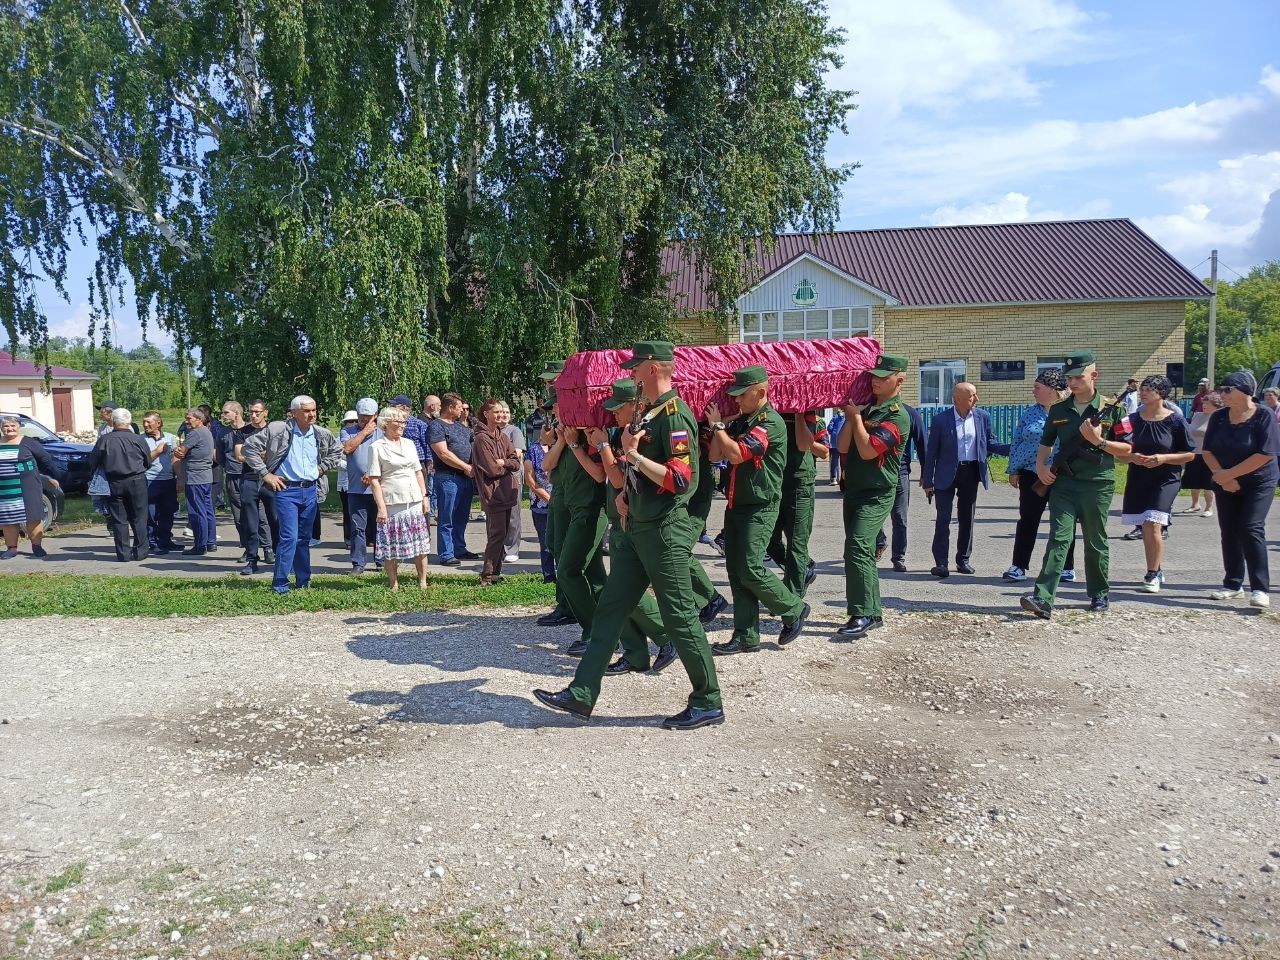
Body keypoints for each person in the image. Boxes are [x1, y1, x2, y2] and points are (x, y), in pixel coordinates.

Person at [533, 340, 723, 730]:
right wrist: (626, 494)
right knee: (610, 608)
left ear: (654, 368)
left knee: (681, 616)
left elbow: (681, 479)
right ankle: (582, 693)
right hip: (637, 526)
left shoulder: (674, 415)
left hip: (663, 531)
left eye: (636, 368)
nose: (631, 373)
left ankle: (708, 700)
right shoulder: (649, 413)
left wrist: (633, 457)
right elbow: (644, 475)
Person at [704, 366, 810, 654]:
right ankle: (745, 635)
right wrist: (722, 427)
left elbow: (736, 454)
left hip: (760, 507)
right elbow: (715, 456)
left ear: (761, 392)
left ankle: (794, 608)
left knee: (750, 567)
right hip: (737, 504)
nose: (736, 400)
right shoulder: (743, 422)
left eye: (742, 395)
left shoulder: (770, 423)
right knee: (736, 572)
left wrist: (717, 428)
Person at [1020, 350, 1133, 619]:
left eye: (1078, 377)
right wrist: (1041, 468)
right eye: (1069, 378)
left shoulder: (1115, 409)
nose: (1072, 383)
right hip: (1065, 484)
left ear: (1094, 375)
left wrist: (1099, 442)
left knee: (1095, 540)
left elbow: (1128, 449)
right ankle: (1043, 598)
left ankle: (1098, 593)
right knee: (1059, 538)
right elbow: (1046, 444)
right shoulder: (1059, 409)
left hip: (1097, 484)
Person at [579, 378, 679, 674]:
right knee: (617, 594)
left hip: (633, 519)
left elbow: (619, 477)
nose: (613, 415)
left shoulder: (636, 434)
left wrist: (601, 445)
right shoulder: (621, 431)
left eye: (617, 409)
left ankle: (665, 636)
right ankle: (635, 652)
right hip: (620, 515)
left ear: (633, 407)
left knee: (622, 593)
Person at [834, 353, 911, 638]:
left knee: (858, 547)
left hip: (877, 493)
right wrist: (852, 417)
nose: (875, 381)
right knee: (857, 550)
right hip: (854, 489)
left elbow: (867, 451)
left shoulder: (897, 417)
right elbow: (843, 446)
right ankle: (871, 612)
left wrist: (855, 418)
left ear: (899, 380)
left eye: (883, 377)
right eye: (873, 377)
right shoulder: (867, 411)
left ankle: (862, 613)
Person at [241, 395, 342, 594]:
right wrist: (266, 474)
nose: (312, 414)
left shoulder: (320, 433)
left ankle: (303, 582)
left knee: (304, 539)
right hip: (286, 490)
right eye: (306, 411)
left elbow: (337, 450)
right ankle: (280, 585)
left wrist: (322, 469)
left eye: (314, 410)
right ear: (294, 413)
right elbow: (249, 448)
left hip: (310, 490)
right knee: (289, 537)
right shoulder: (278, 429)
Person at [1202, 369, 1280, 608]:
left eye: (1228, 390)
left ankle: (1259, 589)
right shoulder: (1219, 417)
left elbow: (1265, 455)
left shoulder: (1263, 415)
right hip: (1225, 480)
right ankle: (1233, 584)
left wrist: (1229, 475)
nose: (1222, 394)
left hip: (1258, 481)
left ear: (1245, 391)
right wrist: (1222, 476)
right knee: (1229, 530)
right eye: (1221, 390)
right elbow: (1207, 451)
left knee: (1250, 527)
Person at [922, 381, 1009, 577]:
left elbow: (990, 443)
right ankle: (941, 563)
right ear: (957, 399)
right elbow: (931, 454)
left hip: (971, 473)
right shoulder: (940, 420)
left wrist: (1015, 449)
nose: (976, 399)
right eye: (972, 396)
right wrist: (928, 481)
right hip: (945, 474)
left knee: (966, 518)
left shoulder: (982, 417)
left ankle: (963, 560)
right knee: (943, 519)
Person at [1119, 376, 1193, 593]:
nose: (1144, 392)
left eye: (1150, 389)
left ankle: (1152, 574)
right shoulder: (1131, 420)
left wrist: (1163, 458)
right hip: (1139, 477)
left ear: (1162, 393)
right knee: (1146, 526)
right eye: (1142, 389)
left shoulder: (1176, 420)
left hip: (1166, 478)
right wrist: (1131, 458)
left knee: (1153, 522)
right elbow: (1121, 453)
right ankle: (1156, 568)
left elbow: (1189, 454)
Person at [1003, 369, 1077, 583]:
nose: (1033, 391)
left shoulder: (1069, 411)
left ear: (1052, 390)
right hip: (1031, 474)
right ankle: (1018, 566)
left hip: (1062, 475)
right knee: (1028, 520)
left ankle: (1066, 567)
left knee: (1063, 522)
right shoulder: (1030, 413)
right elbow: (1017, 441)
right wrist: (1014, 469)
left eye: (1038, 387)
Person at [765, 409, 829, 597]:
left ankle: (792, 598)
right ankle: (803, 568)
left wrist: (799, 415)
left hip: (799, 483)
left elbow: (818, 449)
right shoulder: (771, 415)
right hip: (775, 483)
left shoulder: (812, 418)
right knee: (770, 541)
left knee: (796, 543)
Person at [367, 406, 431, 591]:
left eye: (404, 421)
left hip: (414, 499)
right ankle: (393, 583)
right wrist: (381, 508)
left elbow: (418, 472)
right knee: (392, 545)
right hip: (392, 500)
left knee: (420, 542)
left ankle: (423, 581)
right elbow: (374, 480)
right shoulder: (376, 447)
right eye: (399, 421)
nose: (403, 425)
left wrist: (424, 496)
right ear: (386, 424)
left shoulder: (409, 444)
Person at [87, 408, 152, 561]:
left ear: (114, 422)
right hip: (137, 480)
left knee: (119, 519)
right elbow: (148, 462)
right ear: (129, 422)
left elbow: (92, 462)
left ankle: (123, 554)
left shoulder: (105, 440)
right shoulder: (138, 439)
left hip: (114, 482)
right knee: (139, 517)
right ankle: (140, 552)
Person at [471, 399, 521, 585]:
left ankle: (496, 574)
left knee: (504, 533)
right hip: (492, 494)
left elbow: (515, 462)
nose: (501, 415)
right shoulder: (481, 439)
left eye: (502, 411)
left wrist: (505, 462)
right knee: (496, 534)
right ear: (486, 414)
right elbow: (491, 469)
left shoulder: (503, 436)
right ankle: (488, 576)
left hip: (508, 491)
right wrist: (503, 464)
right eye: (496, 412)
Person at [874, 401, 925, 573]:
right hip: (876, 472)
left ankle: (898, 557)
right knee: (873, 515)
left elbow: (922, 443)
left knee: (900, 517)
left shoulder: (910, 413)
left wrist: (926, 474)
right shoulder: (873, 410)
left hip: (900, 473)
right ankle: (879, 542)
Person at [427, 393, 477, 565]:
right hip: (447, 478)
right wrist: (466, 467)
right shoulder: (436, 427)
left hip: (465, 479)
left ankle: (459, 549)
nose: (462, 410)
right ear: (450, 408)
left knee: (462, 517)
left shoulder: (462, 428)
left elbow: (474, 447)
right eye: (459, 407)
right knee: (446, 517)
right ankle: (446, 554)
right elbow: (443, 453)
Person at [0, 415, 59, 559]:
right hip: (5, 488)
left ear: (18, 427)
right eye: (6, 426)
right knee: (9, 518)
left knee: (32, 516)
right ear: (1, 429)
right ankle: (12, 548)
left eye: (12, 426)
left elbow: (45, 460)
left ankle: (36, 547)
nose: (9, 429)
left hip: (28, 485)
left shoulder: (28, 442)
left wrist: (51, 477)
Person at [341, 399, 383, 575]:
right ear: (357, 416)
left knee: (381, 526)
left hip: (378, 488)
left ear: (376, 415)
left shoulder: (383, 432)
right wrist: (364, 432)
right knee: (358, 527)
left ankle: (381, 561)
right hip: (356, 489)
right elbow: (347, 449)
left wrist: (373, 473)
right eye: (362, 417)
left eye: (369, 417)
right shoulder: (347, 431)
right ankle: (358, 563)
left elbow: (387, 456)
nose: (366, 421)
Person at [234, 400, 276, 575]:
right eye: (251, 412)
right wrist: (261, 455)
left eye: (257, 412)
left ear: (265, 412)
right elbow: (239, 455)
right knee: (250, 522)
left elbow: (275, 454)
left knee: (275, 520)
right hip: (249, 479)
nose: (253, 415)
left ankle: (277, 555)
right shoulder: (243, 432)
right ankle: (252, 559)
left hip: (271, 480)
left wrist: (251, 454)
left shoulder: (273, 432)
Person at [173, 408, 216, 556]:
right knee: (207, 510)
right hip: (206, 476)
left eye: (189, 418)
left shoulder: (195, 433)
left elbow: (180, 452)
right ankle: (210, 542)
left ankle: (200, 545)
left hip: (195, 477)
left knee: (197, 512)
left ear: (199, 419)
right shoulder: (207, 431)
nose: (186, 421)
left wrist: (179, 451)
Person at [141, 411, 179, 555]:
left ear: (158, 423)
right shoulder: (141, 440)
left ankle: (165, 540)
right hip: (149, 480)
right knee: (150, 513)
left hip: (168, 480)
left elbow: (176, 459)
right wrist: (157, 451)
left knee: (168, 512)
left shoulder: (170, 438)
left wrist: (179, 478)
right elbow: (142, 461)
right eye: (144, 422)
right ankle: (152, 542)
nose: (145, 425)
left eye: (148, 422)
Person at [523, 415, 556, 583]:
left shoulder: (559, 448)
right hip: (541, 505)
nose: (546, 432)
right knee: (546, 542)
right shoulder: (533, 450)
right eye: (545, 429)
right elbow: (530, 480)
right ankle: (549, 576)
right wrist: (549, 499)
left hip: (562, 503)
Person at [492, 400, 526, 562]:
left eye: (506, 412)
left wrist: (500, 463)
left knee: (513, 512)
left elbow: (517, 453)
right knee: (497, 512)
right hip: (495, 475)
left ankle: (512, 548)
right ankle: (498, 546)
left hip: (512, 474)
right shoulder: (491, 431)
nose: (503, 415)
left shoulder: (514, 431)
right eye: (500, 412)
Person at [217, 402, 251, 559]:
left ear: (237, 413)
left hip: (251, 475)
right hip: (232, 476)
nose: (223, 416)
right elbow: (220, 457)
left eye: (226, 413)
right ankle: (247, 547)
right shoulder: (223, 432)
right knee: (239, 515)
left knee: (257, 513)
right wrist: (230, 466)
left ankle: (267, 547)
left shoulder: (251, 429)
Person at [337, 410, 356, 546]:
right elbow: (336, 460)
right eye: (350, 421)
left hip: (360, 481)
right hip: (345, 482)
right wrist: (353, 465)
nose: (353, 423)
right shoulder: (338, 441)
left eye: (356, 421)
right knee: (348, 511)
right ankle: (348, 538)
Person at [827, 409, 845, 485]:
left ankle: (834, 478)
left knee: (834, 461)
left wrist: (833, 433)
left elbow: (829, 428)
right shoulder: (847, 418)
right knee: (844, 461)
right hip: (845, 443)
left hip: (834, 442)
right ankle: (843, 479)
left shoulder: (834, 418)